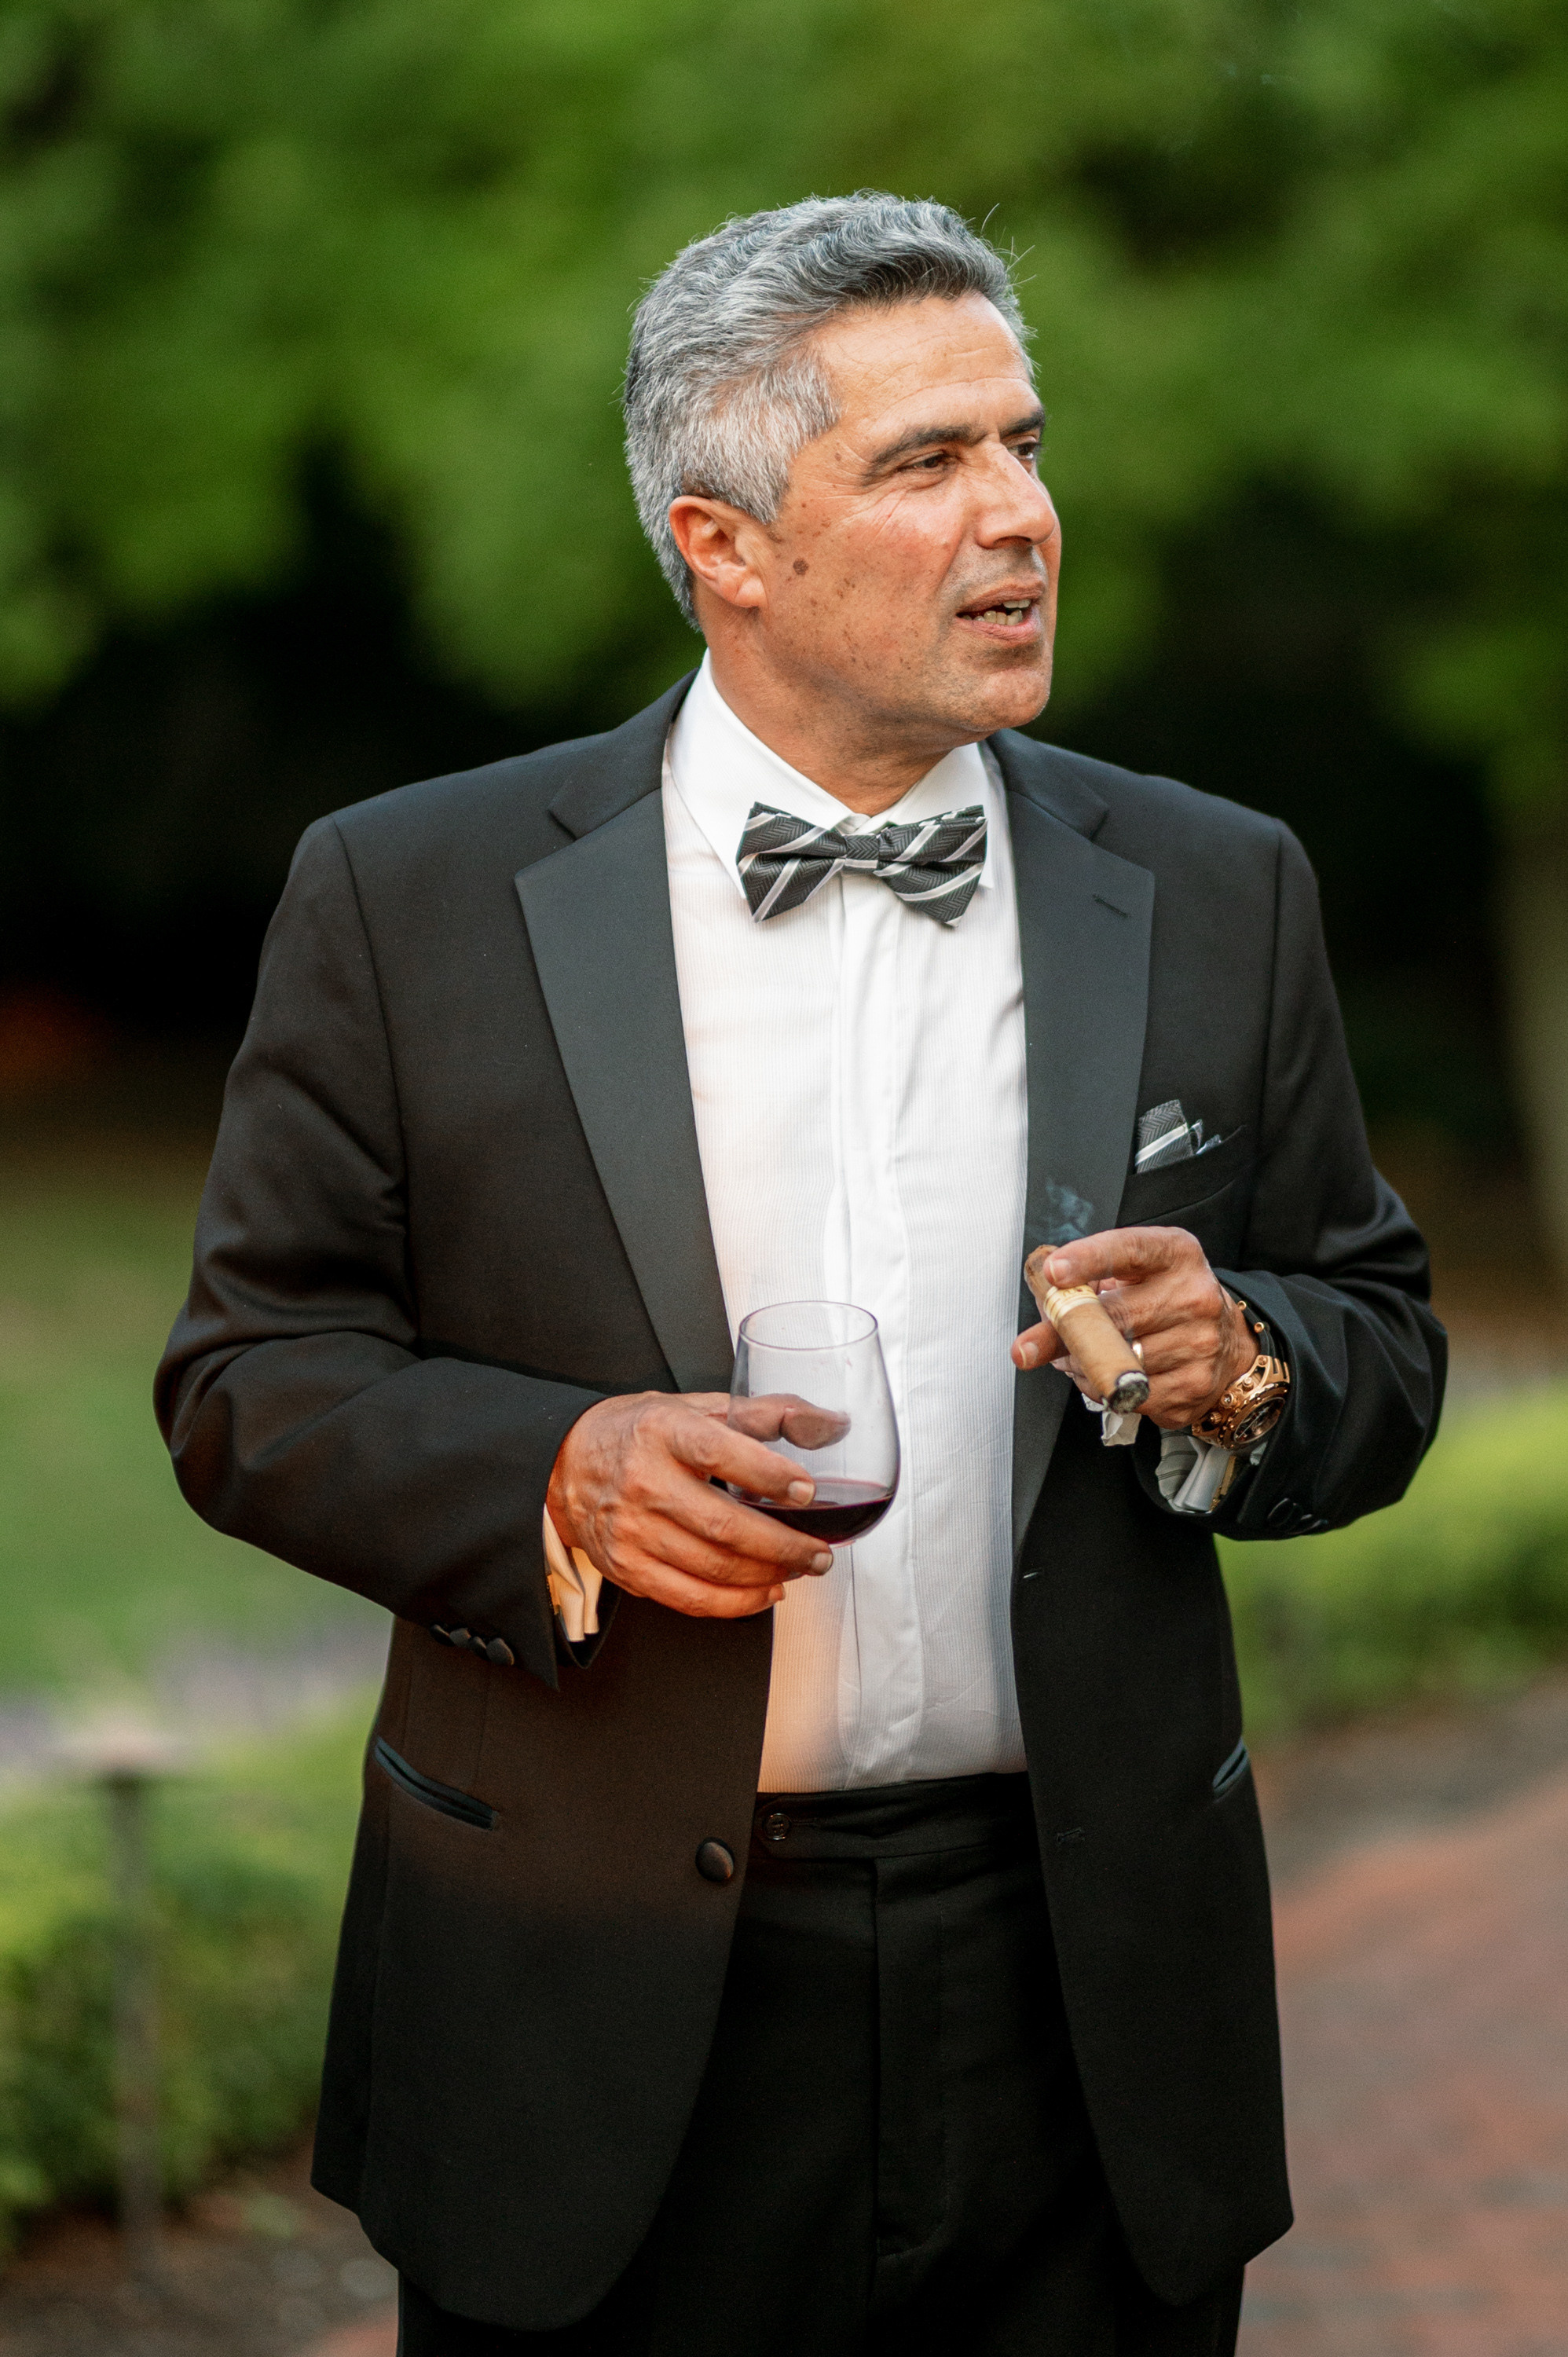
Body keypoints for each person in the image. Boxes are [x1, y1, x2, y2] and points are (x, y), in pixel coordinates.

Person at [156, 194, 1445, 2356]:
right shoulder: (409, 894)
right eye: (925, 466)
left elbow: (1377, 1336)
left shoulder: (1218, 887)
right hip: (587, 1999)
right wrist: (556, 1471)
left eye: (1022, 444)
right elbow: (247, 1376)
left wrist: (1246, 1373)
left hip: (1086, 2001)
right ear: (723, 546)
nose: (1020, 517)